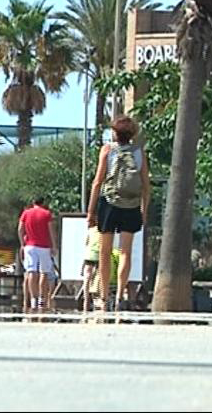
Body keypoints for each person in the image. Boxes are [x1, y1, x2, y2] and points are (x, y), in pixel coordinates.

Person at [86, 115, 150, 312]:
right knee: (125, 252)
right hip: (130, 205)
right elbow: (146, 186)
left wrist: (91, 211)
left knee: (105, 253)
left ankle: (104, 297)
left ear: (115, 132)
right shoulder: (139, 153)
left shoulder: (107, 150)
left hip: (110, 203)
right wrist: (143, 210)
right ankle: (121, 294)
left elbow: (98, 182)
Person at [17, 197, 57, 313]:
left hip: (30, 246)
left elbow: (20, 229)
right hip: (44, 246)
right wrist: (54, 245)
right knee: (43, 272)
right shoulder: (47, 214)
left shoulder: (26, 213)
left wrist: (22, 244)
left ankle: (33, 300)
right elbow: (51, 230)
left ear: (33, 202)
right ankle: (41, 300)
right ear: (43, 203)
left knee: (31, 271)